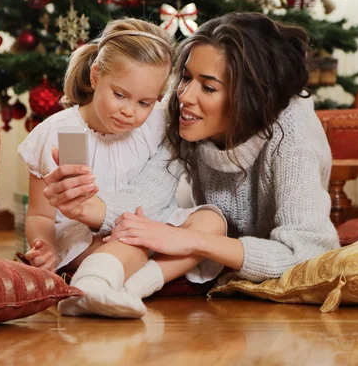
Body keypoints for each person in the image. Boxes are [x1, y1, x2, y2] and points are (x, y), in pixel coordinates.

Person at [42, 12, 341, 303]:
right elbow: (148, 195)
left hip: (230, 257)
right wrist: (81, 207)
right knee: (146, 230)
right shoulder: (184, 111)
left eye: (208, 87)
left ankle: (128, 288)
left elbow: (308, 251)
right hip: (215, 251)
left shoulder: (293, 135)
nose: (184, 95)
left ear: (251, 97)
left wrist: (194, 241)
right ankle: (103, 291)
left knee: (185, 229)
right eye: (185, 77)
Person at [18, 18, 227, 319]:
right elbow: (40, 214)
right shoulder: (68, 135)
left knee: (212, 224)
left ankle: (131, 288)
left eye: (144, 102)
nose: (130, 111)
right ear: (95, 77)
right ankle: (91, 285)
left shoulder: (157, 123)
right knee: (132, 241)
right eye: (119, 95)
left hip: (151, 226)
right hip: (91, 240)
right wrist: (45, 247)